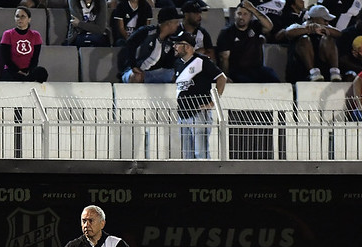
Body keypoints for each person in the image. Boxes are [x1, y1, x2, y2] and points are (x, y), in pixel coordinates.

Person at [172, 31, 226, 160]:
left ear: (187, 47)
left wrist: (213, 102)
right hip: (183, 114)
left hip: (199, 112)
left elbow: (221, 78)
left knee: (201, 154)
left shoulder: (202, 61)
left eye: (178, 43)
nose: (174, 46)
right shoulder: (178, 63)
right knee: (187, 155)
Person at [217, 1, 280, 84]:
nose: (241, 17)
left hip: (257, 69)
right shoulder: (226, 33)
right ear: (235, 15)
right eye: (239, 13)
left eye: (245, 14)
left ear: (251, 16)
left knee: (274, 78)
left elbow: (269, 26)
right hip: (237, 71)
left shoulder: (255, 26)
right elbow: (224, 58)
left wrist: (253, 9)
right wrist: (226, 77)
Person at [277, 3, 342, 82]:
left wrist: (321, 28)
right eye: (325, 20)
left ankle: (334, 72)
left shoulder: (325, 28)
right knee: (304, 39)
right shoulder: (298, 25)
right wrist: (308, 29)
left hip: (323, 69)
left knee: (328, 39)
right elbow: (288, 33)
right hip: (300, 70)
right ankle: (313, 72)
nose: (327, 23)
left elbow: (340, 34)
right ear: (314, 18)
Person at [118, 7, 182, 83]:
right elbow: (129, 45)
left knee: (176, 75)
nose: (178, 25)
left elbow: (168, 65)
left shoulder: (170, 42)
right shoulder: (146, 32)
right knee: (137, 76)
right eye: (176, 22)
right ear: (169, 23)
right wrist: (133, 66)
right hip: (132, 71)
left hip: (151, 73)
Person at [0, 7, 48, 83]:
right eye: (17, 16)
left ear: (29, 19)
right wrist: (18, 71)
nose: (19, 19)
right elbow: (6, 58)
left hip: (27, 71)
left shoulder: (35, 35)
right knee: (9, 76)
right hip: (12, 71)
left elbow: (35, 58)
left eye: (23, 16)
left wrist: (28, 71)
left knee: (41, 72)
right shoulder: (7, 34)